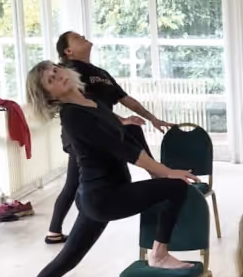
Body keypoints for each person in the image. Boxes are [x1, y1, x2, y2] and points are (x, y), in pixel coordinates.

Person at [11, 62, 195, 277]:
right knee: (175, 188)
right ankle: (158, 255)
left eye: (56, 71)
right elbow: (122, 150)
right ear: (49, 96)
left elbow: (114, 132)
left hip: (95, 197)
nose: (58, 76)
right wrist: (167, 172)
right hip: (104, 197)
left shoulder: (90, 101)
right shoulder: (72, 116)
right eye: (51, 80)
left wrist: (126, 123)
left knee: (67, 259)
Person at [46, 31, 173, 245]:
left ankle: (56, 230)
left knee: (77, 181)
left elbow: (124, 99)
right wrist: (118, 121)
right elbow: (86, 107)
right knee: (73, 183)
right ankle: (54, 230)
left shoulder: (100, 73)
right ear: (67, 51)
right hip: (83, 134)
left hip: (105, 130)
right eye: (77, 37)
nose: (83, 37)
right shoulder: (70, 73)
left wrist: (152, 118)